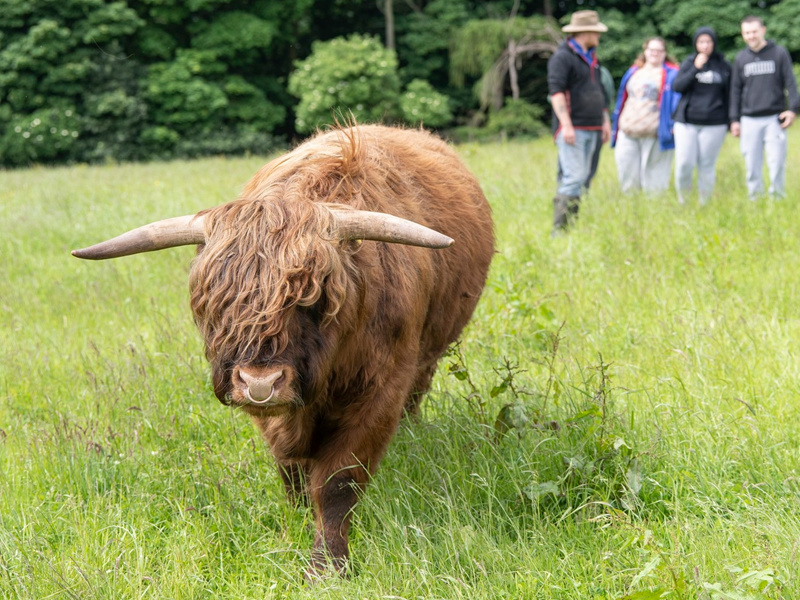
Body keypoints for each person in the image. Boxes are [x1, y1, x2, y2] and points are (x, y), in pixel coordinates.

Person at [546, 10, 611, 235]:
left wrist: (605, 122)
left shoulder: (592, 58)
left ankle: (572, 226)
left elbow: (600, 92)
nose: (599, 37)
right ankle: (560, 232)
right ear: (586, 32)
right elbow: (556, 92)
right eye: (596, 32)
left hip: (594, 127)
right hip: (574, 129)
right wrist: (566, 125)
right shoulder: (562, 57)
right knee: (573, 177)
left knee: (585, 179)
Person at [730, 15, 799, 200]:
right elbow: (735, 90)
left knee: (776, 162)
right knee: (752, 164)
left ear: (763, 30)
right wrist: (734, 119)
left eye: (754, 31)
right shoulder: (741, 58)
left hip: (774, 118)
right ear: (743, 34)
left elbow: (790, 83)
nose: (751, 36)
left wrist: (793, 109)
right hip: (749, 119)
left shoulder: (779, 53)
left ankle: (778, 198)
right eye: (746, 32)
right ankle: (755, 199)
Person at [612, 37, 680, 194]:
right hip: (628, 130)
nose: (654, 53)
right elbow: (623, 97)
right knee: (626, 171)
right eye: (651, 50)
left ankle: (653, 209)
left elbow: (677, 101)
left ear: (664, 53)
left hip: (655, 132)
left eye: (659, 50)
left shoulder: (672, 73)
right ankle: (631, 206)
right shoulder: (634, 71)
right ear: (645, 51)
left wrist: (673, 124)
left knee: (655, 176)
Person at [672, 27, 732, 205]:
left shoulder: (723, 65)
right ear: (696, 44)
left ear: (714, 43)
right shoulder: (689, 62)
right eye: (701, 42)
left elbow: (730, 94)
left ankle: (703, 203)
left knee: (706, 165)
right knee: (684, 163)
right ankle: (684, 201)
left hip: (715, 123)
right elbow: (678, 86)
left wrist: (731, 120)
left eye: (708, 42)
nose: (705, 46)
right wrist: (695, 68)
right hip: (687, 122)